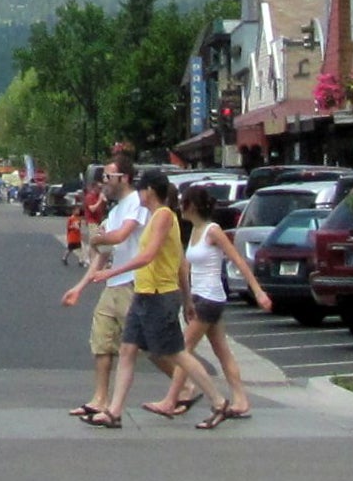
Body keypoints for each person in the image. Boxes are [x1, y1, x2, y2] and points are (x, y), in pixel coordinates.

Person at [77, 169, 232, 430]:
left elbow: (148, 256)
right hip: (144, 293)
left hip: (159, 295)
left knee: (176, 353)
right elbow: (180, 262)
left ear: (149, 191)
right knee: (127, 350)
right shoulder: (152, 217)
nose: (138, 194)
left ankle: (218, 402)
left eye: (141, 189)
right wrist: (187, 299)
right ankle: (114, 412)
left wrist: (112, 271)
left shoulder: (162, 216)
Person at [145, 185, 270, 420]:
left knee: (182, 349)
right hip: (200, 297)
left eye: (183, 203)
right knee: (221, 351)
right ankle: (241, 399)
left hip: (210, 298)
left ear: (191, 205)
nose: (180, 207)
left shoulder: (213, 230)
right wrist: (186, 297)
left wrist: (258, 291)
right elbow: (187, 267)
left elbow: (238, 260)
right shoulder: (194, 231)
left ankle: (172, 400)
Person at [60, 158, 149, 421]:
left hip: (134, 282)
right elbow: (101, 253)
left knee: (151, 345)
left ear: (124, 177)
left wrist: (98, 237)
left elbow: (120, 236)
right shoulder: (116, 210)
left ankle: (186, 386)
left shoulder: (137, 204)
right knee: (102, 340)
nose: (103, 183)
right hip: (113, 284)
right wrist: (79, 287)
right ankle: (100, 399)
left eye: (109, 177)